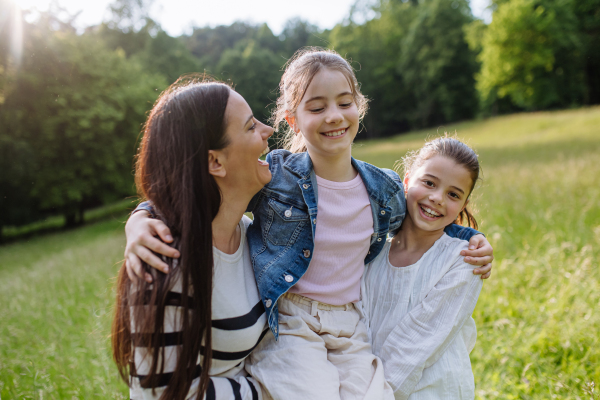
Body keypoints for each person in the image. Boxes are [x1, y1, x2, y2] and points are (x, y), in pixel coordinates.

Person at [124, 48, 494, 400]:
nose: (333, 115)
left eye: (345, 103)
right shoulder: (277, 179)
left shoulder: (383, 189)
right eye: (317, 107)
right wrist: (142, 218)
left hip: (350, 323)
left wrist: (469, 238)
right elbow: (189, 195)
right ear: (293, 119)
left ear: (359, 107)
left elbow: (421, 217)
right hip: (293, 319)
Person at [112, 77, 274, 400]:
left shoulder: (254, 232)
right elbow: (165, 393)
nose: (268, 129)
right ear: (215, 162)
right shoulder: (163, 260)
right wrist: (274, 387)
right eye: (250, 126)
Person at [360, 136, 486, 399]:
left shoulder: (464, 259)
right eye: (429, 183)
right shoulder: (373, 248)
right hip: (363, 382)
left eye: (453, 194)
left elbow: (416, 344)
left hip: (431, 390)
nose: (437, 198)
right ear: (406, 181)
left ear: (463, 205)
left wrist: (376, 394)